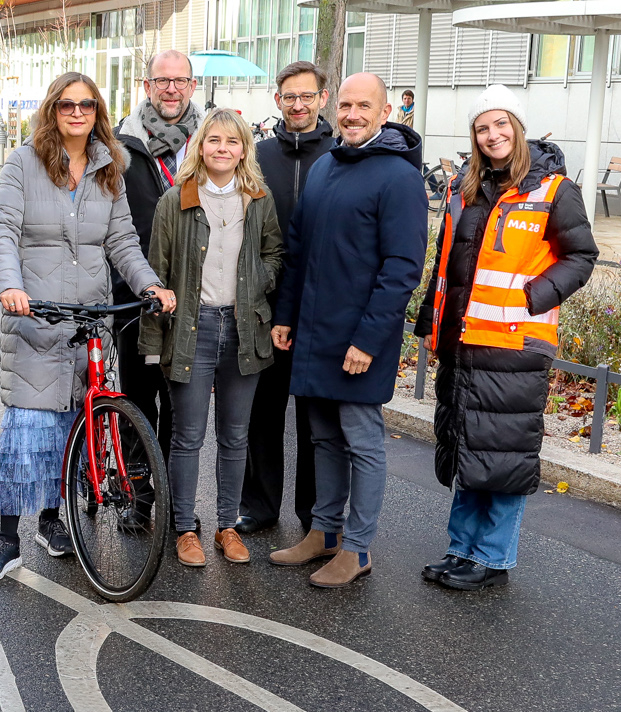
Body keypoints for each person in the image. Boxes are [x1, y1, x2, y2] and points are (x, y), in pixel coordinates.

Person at [0, 72, 176, 581]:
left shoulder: (111, 169)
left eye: (87, 105)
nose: (78, 113)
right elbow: (1, 230)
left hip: (90, 320)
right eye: (68, 104)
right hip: (35, 314)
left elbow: (123, 242)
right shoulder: (24, 164)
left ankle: (52, 521)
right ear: (53, 110)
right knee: (28, 430)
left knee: (71, 425)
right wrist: (9, 287)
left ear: (98, 113)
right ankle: (5, 539)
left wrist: (150, 286)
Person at [415, 86, 596, 590]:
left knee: (503, 454)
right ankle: (461, 549)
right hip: (465, 341)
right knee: (468, 446)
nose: (492, 135)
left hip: (515, 343)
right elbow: (447, 265)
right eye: (482, 127)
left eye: (501, 124)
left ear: (518, 128)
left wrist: (532, 297)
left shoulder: (553, 190)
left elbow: (581, 257)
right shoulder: (465, 189)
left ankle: (492, 558)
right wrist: (430, 327)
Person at [267, 73, 426, 588]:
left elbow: (401, 269)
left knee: (362, 442)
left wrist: (368, 341)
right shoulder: (326, 166)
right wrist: (286, 315)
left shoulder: (399, 178)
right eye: (347, 105)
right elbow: (300, 249)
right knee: (324, 440)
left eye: (365, 106)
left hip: (359, 338)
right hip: (314, 332)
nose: (353, 114)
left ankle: (357, 549)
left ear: (385, 113)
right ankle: (324, 532)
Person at [139, 109, 284, 568]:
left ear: (245, 149)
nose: (222, 148)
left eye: (233, 142)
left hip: (244, 328)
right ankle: (185, 528)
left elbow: (273, 251)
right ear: (201, 146)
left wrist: (260, 279)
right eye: (214, 140)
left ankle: (226, 525)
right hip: (192, 330)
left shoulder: (258, 197)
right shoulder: (176, 201)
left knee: (235, 436)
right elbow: (155, 273)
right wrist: (151, 344)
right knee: (187, 436)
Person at [240, 61, 334, 536]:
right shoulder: (256, 157)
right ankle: (258, 506)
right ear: (277, 101)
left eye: (307, 96)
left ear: (322, 98)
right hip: (263, 304)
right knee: (263, 412)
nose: (298, 105)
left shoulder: (340, 156)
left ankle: (315, 514)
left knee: (316, 420)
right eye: (289, 97)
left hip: (320, 307)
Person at [115, 49, 200, 454]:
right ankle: (139, 499)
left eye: (180, 81)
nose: (171, 89)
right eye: (162, 81)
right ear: (147, 87)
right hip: (135, 296)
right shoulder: (119, 145)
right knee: (137, 402)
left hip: (195, 298)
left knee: (182, 408)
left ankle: (175, 505)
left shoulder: (212, 144)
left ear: (192, 86)